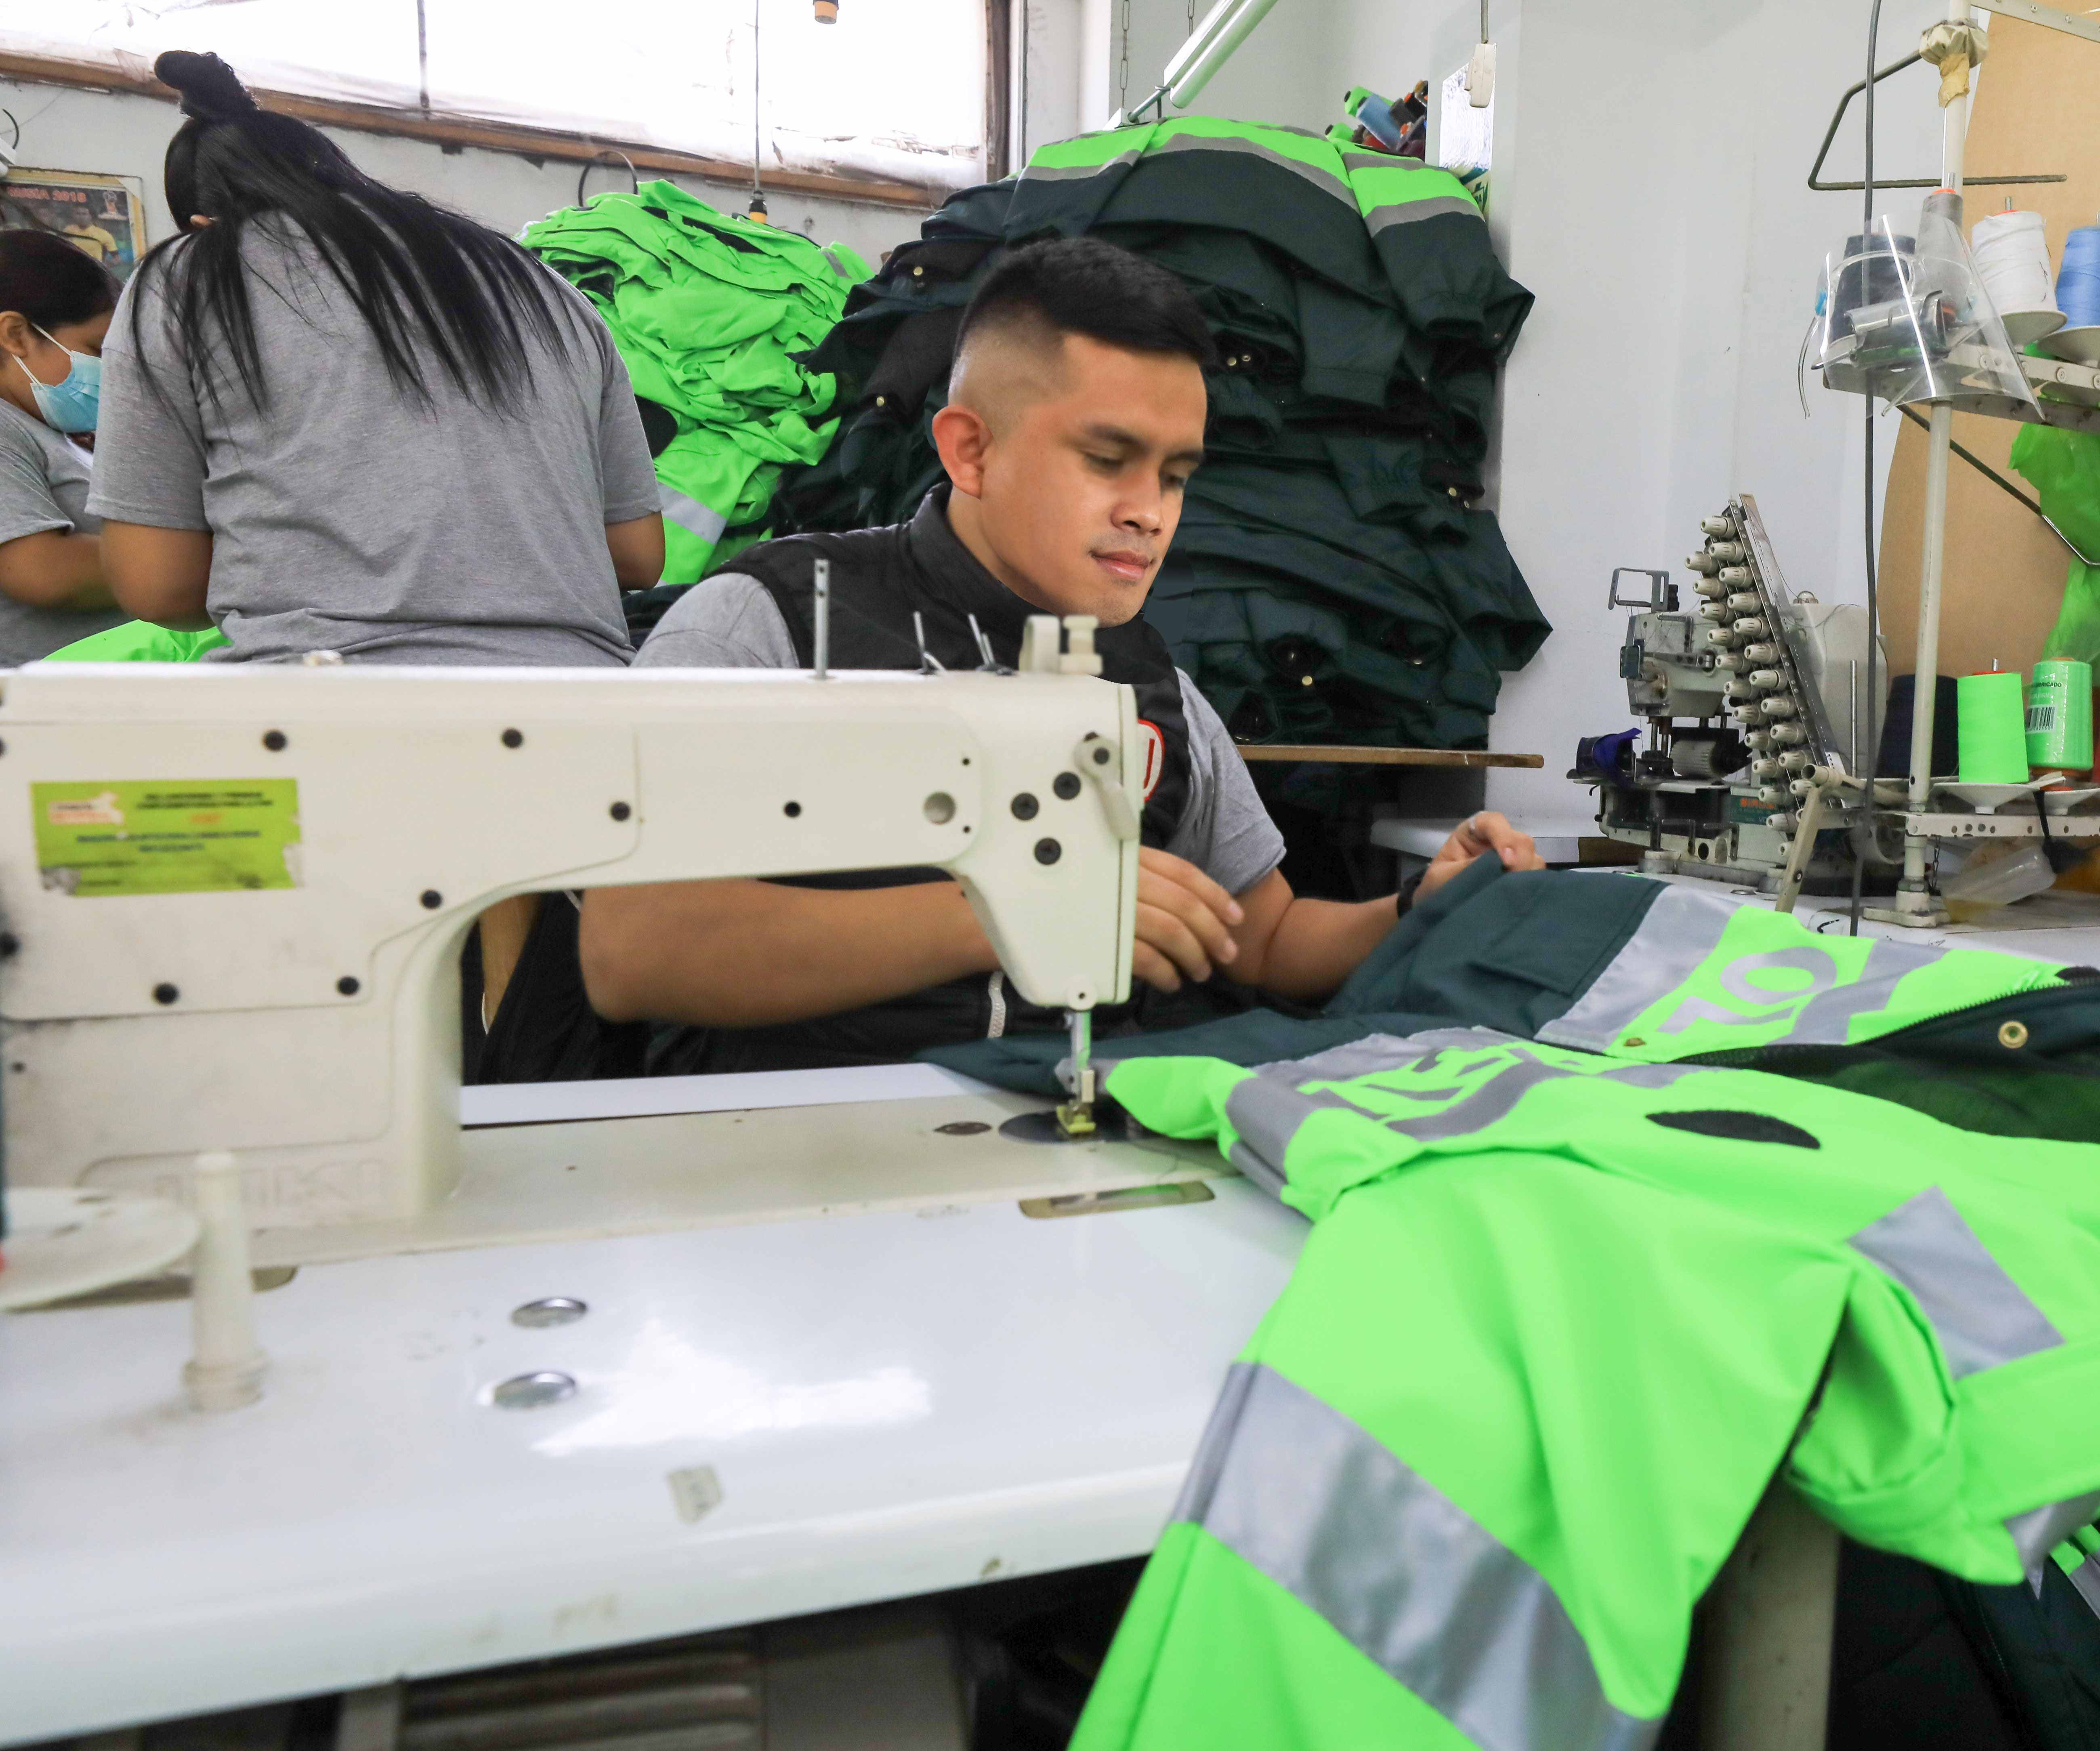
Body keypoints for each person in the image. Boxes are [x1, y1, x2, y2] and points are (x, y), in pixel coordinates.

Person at [581, 236, 1537, 1070]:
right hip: (798, 1173)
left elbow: (1267, 938)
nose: (1149, 510)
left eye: (1175, 475)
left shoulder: (1154, 687)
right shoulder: (766, 624)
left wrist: (1417, 907)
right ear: (969, 452)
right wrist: (1020, 906)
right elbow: (634, 950)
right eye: (1106, 459)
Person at [88, 50, 664, 664]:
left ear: (204, 223)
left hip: (325, 711)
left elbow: (157, 582)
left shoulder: (191, 276)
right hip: (584, 705)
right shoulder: (542, 285)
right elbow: (637, 555)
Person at [0, 229, 126, 660]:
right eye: (97, 348)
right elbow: (40, 570)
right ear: (16, 335)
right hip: (36, 713)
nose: (113, 370)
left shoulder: (53, 425)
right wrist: (200, 556)